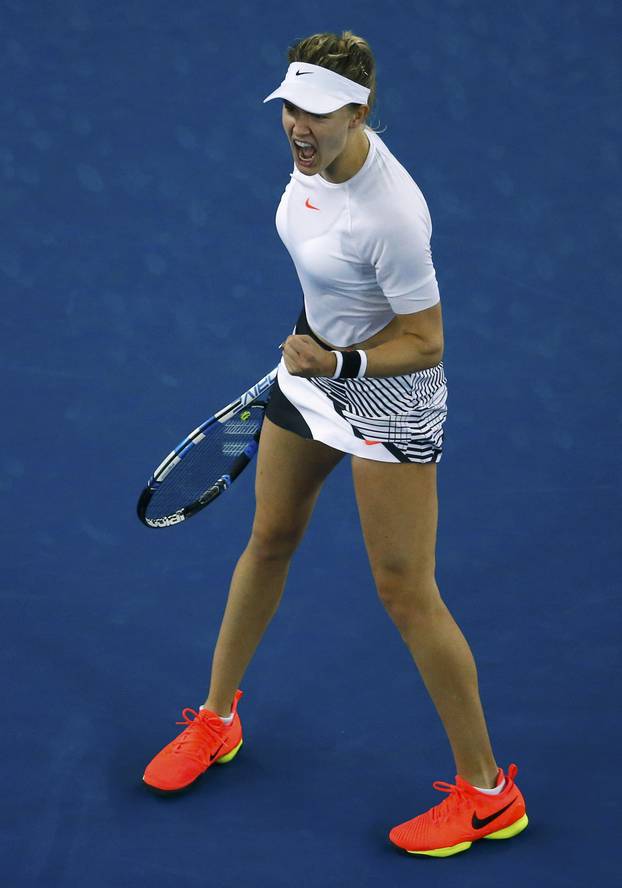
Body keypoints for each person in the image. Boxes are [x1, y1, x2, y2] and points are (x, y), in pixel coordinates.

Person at [143, 30, 529, 858]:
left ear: (361, 112)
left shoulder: (392, 213)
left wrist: (343, 359)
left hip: (388, 396)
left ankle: (490, 795)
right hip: (314, 371)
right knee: (269, 536)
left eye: (318, 113)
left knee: (405, 591)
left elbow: (428, 341)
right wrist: (309, 344)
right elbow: (327, 277)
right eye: (291, 108)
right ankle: (216, 720)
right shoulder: (311, 162)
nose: (299, 126)